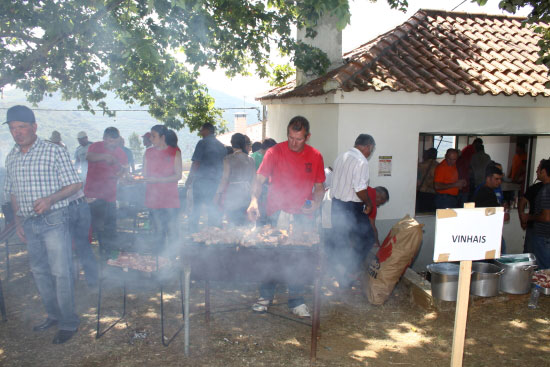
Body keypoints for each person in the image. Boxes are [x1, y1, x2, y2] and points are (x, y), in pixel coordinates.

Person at [3, 105, 81, 344]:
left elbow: (75, 184)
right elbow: (13, 193)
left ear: (34, 127)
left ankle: (69, 322)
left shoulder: (53, 151)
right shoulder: (11, 157)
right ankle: (53, 315)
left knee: (60, 272)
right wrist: (17, 222)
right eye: (13, 128)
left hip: (54, 220)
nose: (17, 133)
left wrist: (50, 199)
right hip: (28, 223)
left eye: (22, 127)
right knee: (39, 272)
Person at [247, 116, 325, 318]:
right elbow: (259, 179)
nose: (293, 143)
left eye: (298, 139)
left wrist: (316, 204)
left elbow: (319, 187)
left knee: (298, 259)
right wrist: (254, 200)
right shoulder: (274, 152)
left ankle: (296, 301)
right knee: (271, 256)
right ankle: (265, 297)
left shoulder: (315, 156)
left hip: (302, 216)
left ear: (307, 137)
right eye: (290, 137)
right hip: (276, 213)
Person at [329, 134, 376, 288]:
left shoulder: (341, 156)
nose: (370, 153)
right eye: (371, 150)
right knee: (368, 239)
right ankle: (350, 271)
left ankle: (339, 273)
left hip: (336, 205)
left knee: (341, 241)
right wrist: (368, 202)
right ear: (368, 146)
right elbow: (360, 189)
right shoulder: (361, 161)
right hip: (351, 207)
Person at [84, 127, 128, 257]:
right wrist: (106, 156)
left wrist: (119, 175)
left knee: (108, 228)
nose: (112, 144)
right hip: (92, 196)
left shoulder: (121, 152)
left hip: (110, 196)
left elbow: (125, 169)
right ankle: (87, 254)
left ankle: (107, 255)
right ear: (104, 139)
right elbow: (88, 156)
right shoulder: (95, 146)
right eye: (109, 141)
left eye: (114, 141)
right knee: (91, 228)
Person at [143, 125, 182, 255]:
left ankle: (173, 259)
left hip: (170, 199)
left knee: (172, 231)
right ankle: (158, 260)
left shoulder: (175, 151)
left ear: (162, 137)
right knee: (158, 232)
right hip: (153, 200)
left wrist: (158, 180)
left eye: (153, 136)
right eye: (151, 136)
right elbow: (144, 174)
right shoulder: (148, 152)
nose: (151, 138)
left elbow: (178, 175)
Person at [186, 123, 227, 232]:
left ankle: (193, 232)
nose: (200, 132)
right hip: (215, 182)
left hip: (201, 182)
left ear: (207, 130)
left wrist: (189, 179)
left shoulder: (202, 143)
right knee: (212, 208)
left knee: (197, 208)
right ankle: (213, 232)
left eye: (201, 130)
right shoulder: (221, 146)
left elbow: (196, 163)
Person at [214, 133, 256, 225]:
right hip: (247, 194)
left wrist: (218, 194)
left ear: (232, 144)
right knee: (244, 223)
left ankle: (234, 238)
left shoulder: (228, 159)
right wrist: (253, 197)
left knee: (233, 222)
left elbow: (224, 179)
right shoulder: (251, 160)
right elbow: (254, 180)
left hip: (232, 194)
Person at [520, 159, 550, 269]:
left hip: (544, 237)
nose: (537, 172)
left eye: (539, 169)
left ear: (544, 172)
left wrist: (529, 217)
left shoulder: (546, 189)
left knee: (543, 269)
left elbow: (546, 217)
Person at [519, 161, 544, 254]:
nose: (537, 172)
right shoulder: (535, 187)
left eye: (538, 169)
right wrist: (523, 218)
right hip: (533, 228)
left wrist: (524, 218)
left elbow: (522, 202)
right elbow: (522, 201)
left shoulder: (541, 188)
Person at [456, 138, 483, 204]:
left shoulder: (467, 148)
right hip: (466, 176)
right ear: (476, 143)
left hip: (464, 175)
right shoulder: (471, 150)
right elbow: (471, 164)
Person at [416, 147, 437, 213]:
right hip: (433, 193)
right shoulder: (439, 166)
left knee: (421, 213)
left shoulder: (420, 165)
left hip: (422, 192)